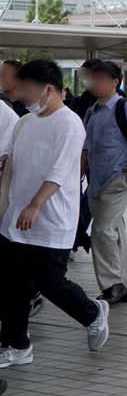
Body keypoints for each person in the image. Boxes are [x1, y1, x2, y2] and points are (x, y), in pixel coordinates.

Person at [0, 60, 112, 369]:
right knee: (13, 285)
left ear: (47, 89)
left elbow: (61, 170)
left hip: (51, 220)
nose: (21, 95)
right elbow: (11, 165)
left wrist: (36, 204)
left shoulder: (69, 123)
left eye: (26, 89)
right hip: (15, 221)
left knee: (50, 283)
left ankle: (92, 313)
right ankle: (17, 345)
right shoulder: (25, 123)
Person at [80, 59, 127, 305]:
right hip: (96, 181)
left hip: (119, 177)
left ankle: (112, 284)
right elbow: (85, 148)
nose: (95, 84)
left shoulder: (125, 108)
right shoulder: (92, 111)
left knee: (101, 229)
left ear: (115, 82)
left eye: (101, 79)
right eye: (93, 79)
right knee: (114, 229)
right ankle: (126, 287)